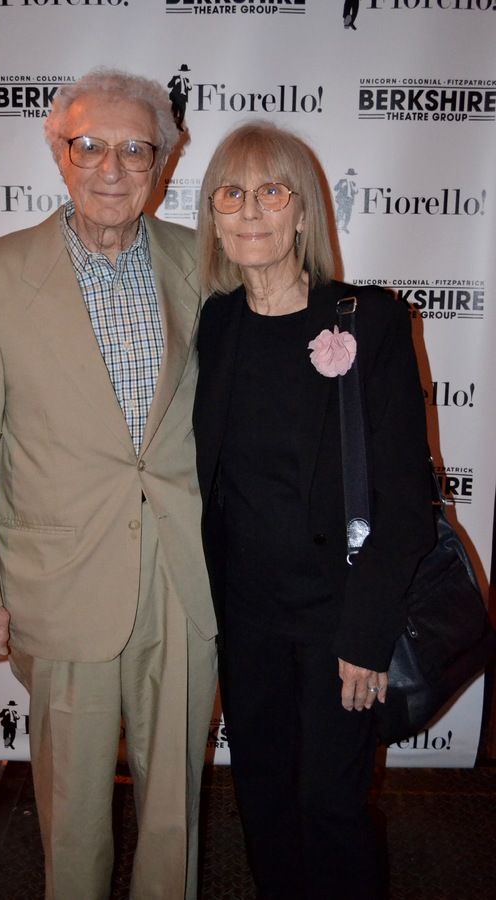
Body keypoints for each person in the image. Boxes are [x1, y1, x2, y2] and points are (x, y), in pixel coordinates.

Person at [0, 68, 217, 900]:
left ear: (164, 162)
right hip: (58, 581)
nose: (111, 168)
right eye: (88, 145)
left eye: (136, 150)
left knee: (177, 807)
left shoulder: (200, 262)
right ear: (58, 153)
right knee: (72, 810)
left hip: (182, 571)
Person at [193, 122, 435, 900]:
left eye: (272, 191)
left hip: (339, 620)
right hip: (247, 618)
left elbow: (405, 499)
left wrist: (366, 635)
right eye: (231, 193)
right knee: (262, 798)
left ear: (303, 212)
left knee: (330, 808)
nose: (251, 210)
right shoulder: (219, 323)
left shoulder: (368, 320)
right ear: (214, 216)